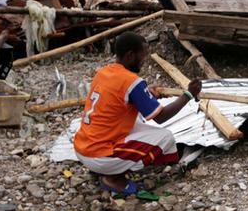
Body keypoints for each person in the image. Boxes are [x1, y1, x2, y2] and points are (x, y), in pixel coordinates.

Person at [73, 31, 201, 195]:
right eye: (142, 55)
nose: (144, 60)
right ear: (130, 55)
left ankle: (109, 167)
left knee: (138, 122)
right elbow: (161, 118)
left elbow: (118, 96)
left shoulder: (103, 72)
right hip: (99, 155)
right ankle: (113, 177)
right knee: (165, 137)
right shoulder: (131, 81)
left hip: (83, 148)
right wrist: (188, 95)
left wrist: (146, 93)